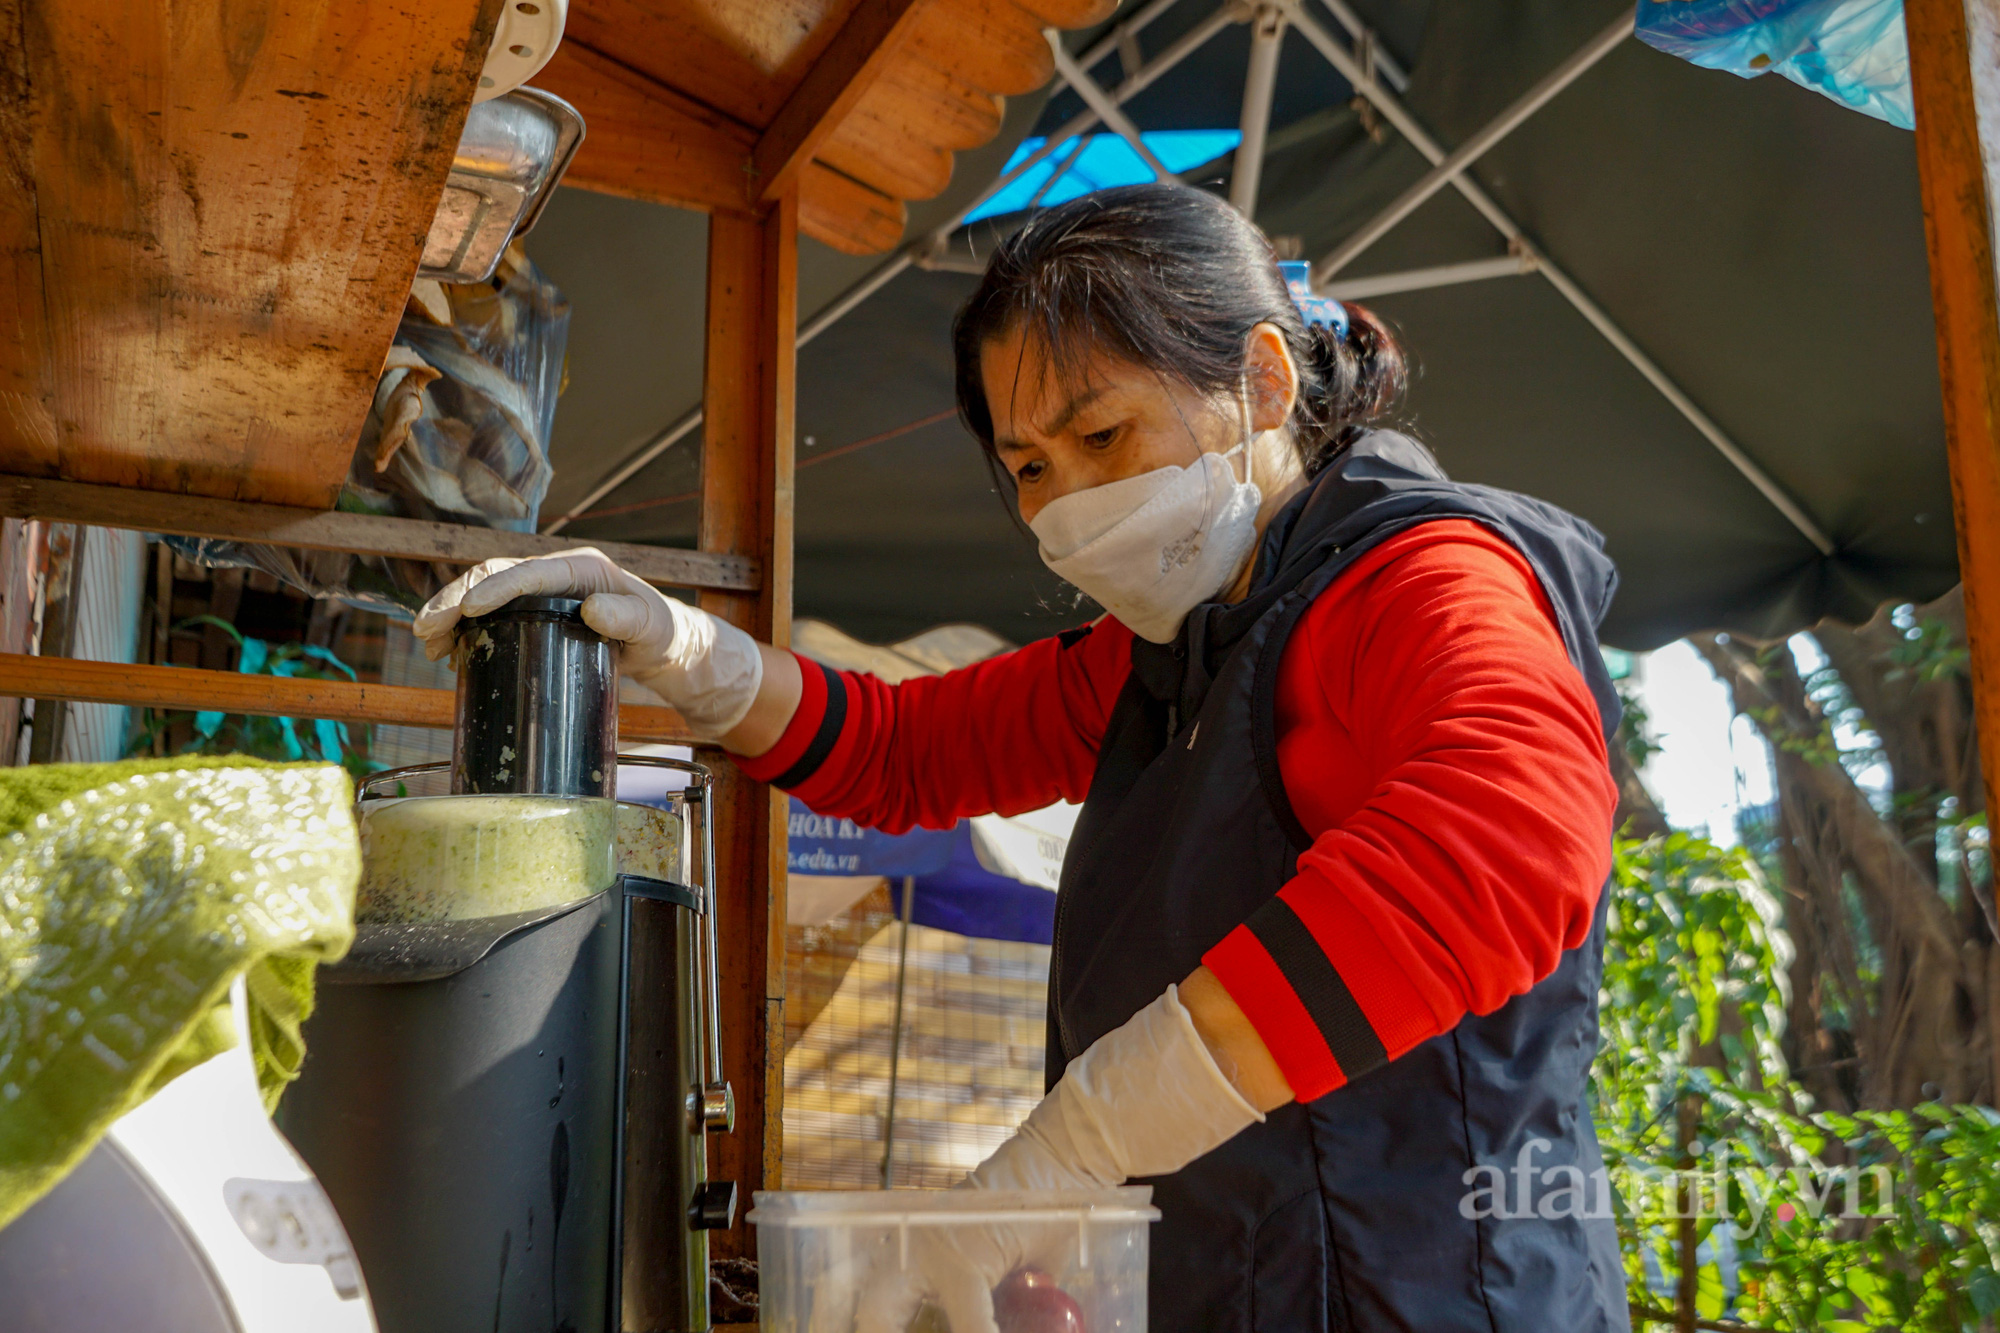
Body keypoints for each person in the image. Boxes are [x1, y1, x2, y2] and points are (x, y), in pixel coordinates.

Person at [415, 183, 1629, 1332]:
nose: (1069, 505)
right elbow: (905, 751)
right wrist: (687, 651)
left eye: (1103, 432)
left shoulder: (1420, 584)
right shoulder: (1164, 648)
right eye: (1034, 469)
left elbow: (1504, 853)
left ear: (1260, 382)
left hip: (1426, 1288)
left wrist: (1077, 1145)